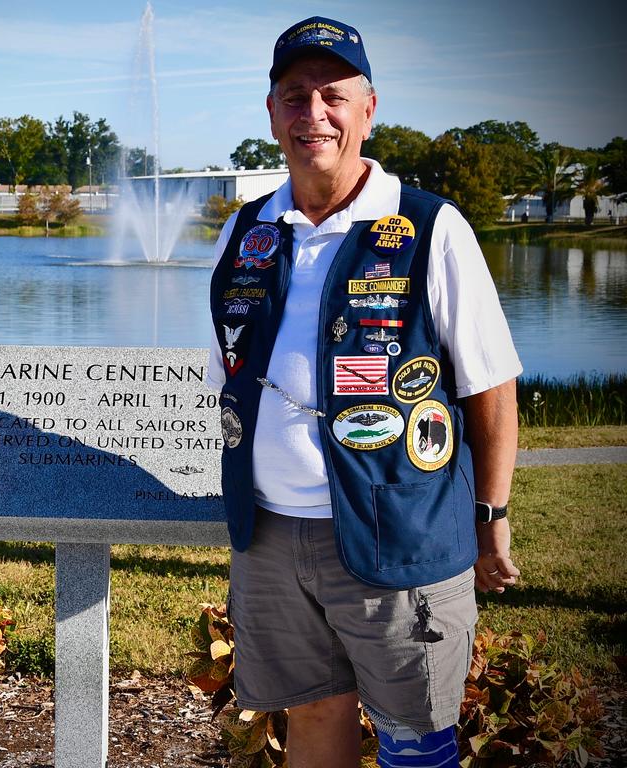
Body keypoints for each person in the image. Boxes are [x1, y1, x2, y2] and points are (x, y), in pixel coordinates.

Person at [207, 16, 522, 768]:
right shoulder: (246, 230)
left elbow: (492, 384)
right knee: (314, 713)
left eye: (333, 96)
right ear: (272, 115)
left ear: (368, 110)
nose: (312, 113)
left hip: (397, 531)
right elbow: (224, 372)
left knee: (417, 738)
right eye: (293, 96)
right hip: (272, 535)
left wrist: (492, 516)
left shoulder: (428, 226)